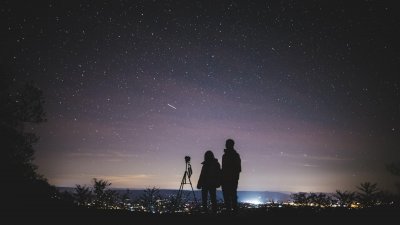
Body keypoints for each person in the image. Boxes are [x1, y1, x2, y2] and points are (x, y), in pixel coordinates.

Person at [221, 139, 241, 213]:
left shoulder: (228, 155)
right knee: (231, 197)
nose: (226, 145)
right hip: (230, 180)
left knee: (229, 197)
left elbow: (238, 169)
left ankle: (231, 213)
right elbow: (238, 169)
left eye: (227, 144)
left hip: (229, 180)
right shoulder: (232, 155)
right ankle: (232, 213)